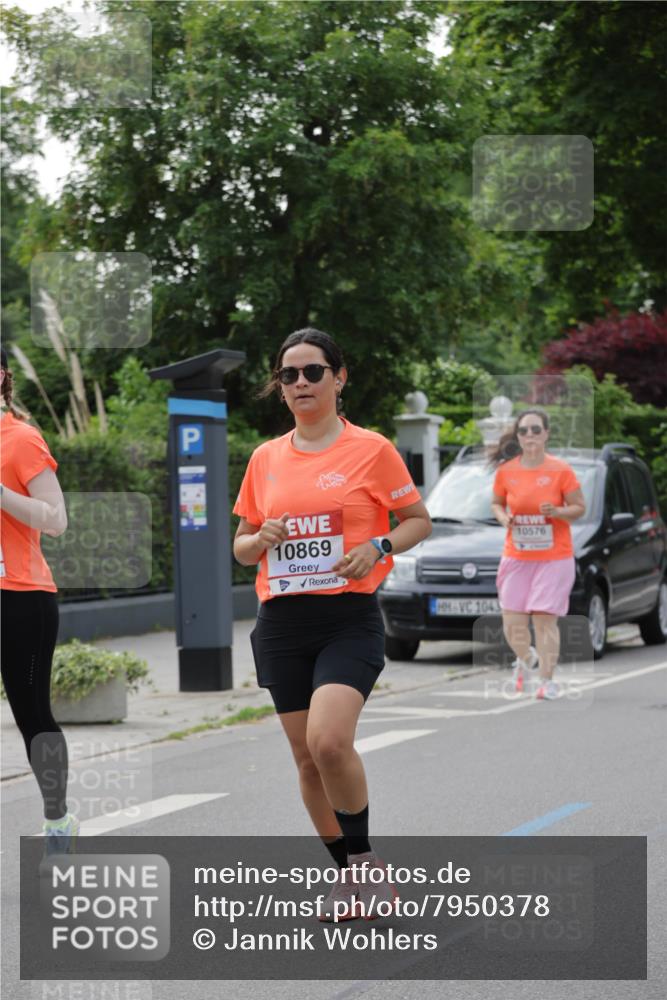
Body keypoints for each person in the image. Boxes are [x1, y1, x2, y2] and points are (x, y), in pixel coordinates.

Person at [233, 328, 432, 921]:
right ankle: (348, 878)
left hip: (347, 618)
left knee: (328, 740)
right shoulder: (265, 458)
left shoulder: (371, 450)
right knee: (305, 759)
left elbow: (418, 520)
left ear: (338, 378)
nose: (300, 384)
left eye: (313, 372)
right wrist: (258, 537)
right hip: (282, 623)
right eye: (289, 375)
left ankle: (369, 866)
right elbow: (242, 547)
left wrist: (379, 546)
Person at [0, 346, 79, 865]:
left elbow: (56, 519)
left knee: (31, 713)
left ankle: (57, 816)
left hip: (20, 596)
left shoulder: (21, 438)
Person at [490, 408, 586, 700]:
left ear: (546, 433)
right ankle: (527, 658)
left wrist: (557, 511)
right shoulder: (507, 471)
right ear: (517, 436)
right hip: (517, 557)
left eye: (535, 430)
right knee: (512, 623)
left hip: (554, 557)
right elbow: (496, 503)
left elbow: (580, 508)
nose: (529, 435)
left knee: (545, 619)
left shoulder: (561, 470)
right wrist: (503, 518)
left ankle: (547, 680)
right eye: (523, 430)